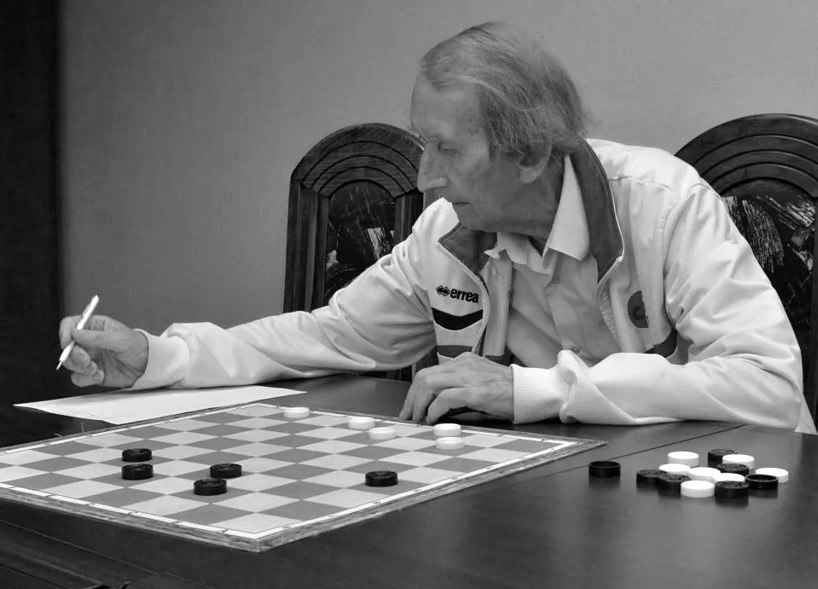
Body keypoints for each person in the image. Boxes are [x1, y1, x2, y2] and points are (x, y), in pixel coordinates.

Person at [58, 22, 816, 434]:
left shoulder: (664, 203)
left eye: (447, 150)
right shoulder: (447, 231)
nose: (423, 176)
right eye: (424, 144)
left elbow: (771, 387)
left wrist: (531, 389)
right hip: (553, 505)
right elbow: (325, 336)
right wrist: (158, 356)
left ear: (530, 154)